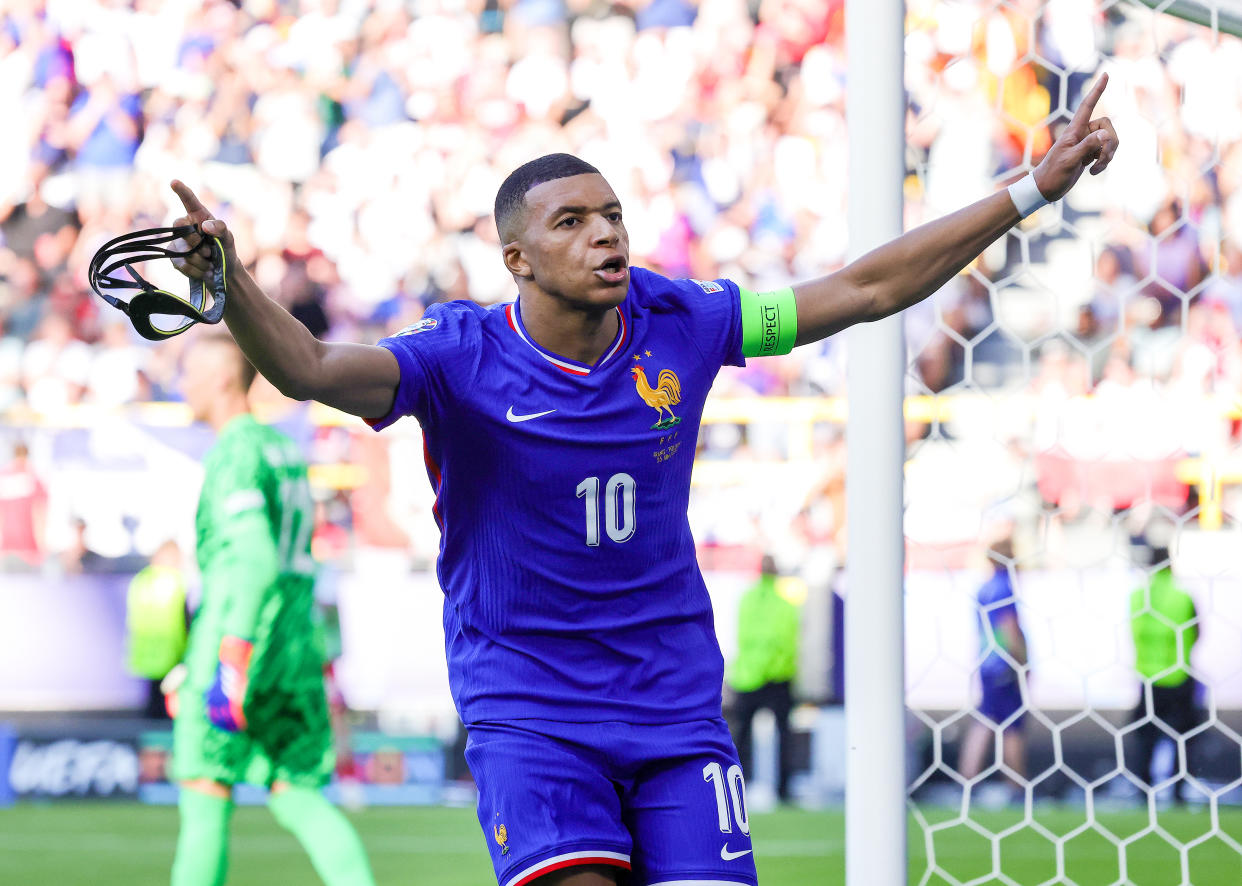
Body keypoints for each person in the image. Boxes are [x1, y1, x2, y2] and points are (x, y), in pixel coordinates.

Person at [166, 77, 1118, 886]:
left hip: (673, 707)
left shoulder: (688, 320)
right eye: (571, 223)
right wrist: (233, 284)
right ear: (518, 259)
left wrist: (1031, 190)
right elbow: (311, 371)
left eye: (613, 215)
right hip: (531, 711)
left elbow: (865, 290)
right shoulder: (457, 357)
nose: (605, 236)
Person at [165, 331, 374, 886]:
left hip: (240, 639)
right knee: (299, 796)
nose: (180, 382)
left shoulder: (235, 450)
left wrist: (227, 655)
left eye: (189, 371)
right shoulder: (283, 447)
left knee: (206, 796)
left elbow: (254, 559)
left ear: (220, 380)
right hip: (295, 645)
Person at [1127, 525, 1201, 805]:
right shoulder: (1182, 596)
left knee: (1146, 736)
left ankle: (1142, 790)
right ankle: (1179, 791)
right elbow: (1197, 632)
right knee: (1183, 737)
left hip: (1147, 675)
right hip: (1179, 675)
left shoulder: (1137, 596)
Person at [957, 535, 1028, 803]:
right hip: (1004, 664)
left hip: (987, 662)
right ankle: (1017, 787)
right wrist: (1022, 661)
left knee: (986, 719)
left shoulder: (984, 587)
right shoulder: (1004, 588)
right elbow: (1009, 628)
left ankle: (967, 781)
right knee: (1011, 726)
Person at [726, 554, 800, 804]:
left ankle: (738, 787)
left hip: (748, 676)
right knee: (783, 736)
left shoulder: (747, 599)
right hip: (777, 677)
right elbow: (787, 642)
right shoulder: (785, 603)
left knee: (741, 737)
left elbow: (742, 635)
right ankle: (783, 790)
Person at [126, 539, 188, 720]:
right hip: (170, 649)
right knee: (168, 701)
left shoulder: (142, 579)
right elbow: (182, 616)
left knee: (154, 701)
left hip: (147, 649)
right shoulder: (174, 581)